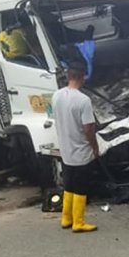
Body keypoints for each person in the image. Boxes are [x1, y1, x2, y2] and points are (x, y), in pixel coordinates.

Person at [52, 58, 101, 233]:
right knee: (80, 186)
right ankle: (78, 222)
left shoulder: (56, 95)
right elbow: (89, 128)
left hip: (65, 149)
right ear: (83, 77)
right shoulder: (83, 100)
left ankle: (66, 218)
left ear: (68, 76)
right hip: (81, 151)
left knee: (69, 185)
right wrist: (95, 147)